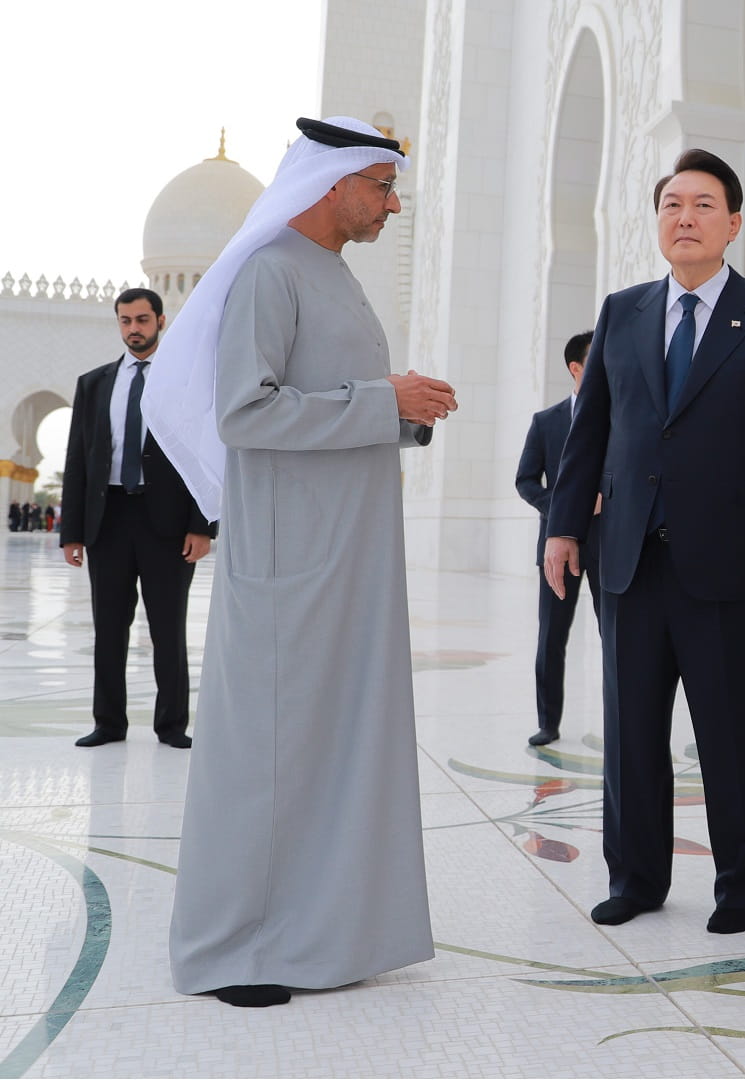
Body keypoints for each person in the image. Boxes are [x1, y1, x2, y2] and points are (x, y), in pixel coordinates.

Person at [151, 116, 457, 1009]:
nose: (391, 205)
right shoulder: (269, 270)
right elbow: (245, 413)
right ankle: (234, 949)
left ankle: (321, 934)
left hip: (346, 559)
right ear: (336, 183)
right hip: (293, 564)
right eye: (382, 187)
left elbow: (330, 402)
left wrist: (402, 415)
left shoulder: (331, 275)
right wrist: (380, 398)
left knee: (332, 746)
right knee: (268, 755)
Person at [544, 148, 745, 936]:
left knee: (731, 733)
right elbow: (589, 432)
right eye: (672, 204)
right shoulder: (622, 310)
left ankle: (740, 885)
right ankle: (634, 876)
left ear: (733, 223)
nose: (685, 217)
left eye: (703, 205)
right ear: (658, 220)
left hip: (730, 563)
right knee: (631, 734)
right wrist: (564, 527)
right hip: (629, 559)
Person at [59, 287, 215, 749]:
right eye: (126, 321)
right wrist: (73, 531)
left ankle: (171, 726)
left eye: (143, 320)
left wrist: (202, 525)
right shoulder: (95, 383)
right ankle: (108, 723)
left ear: (161, 322)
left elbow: (202, 454)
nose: (134, 329)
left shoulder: (186, 380)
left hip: (165, 522)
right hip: (108, 519)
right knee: (108, 628)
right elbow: (78, 460)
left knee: (168, 628)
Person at [516, 330, 602, 746]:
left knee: (618, 636)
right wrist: (565, 509)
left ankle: (622, 717)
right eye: (595, 360)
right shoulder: (545, 422)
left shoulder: (619, 416)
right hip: (557, 546)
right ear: (576, 368)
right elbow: (526, 481)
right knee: (552, 637)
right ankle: (548, 722)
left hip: (609, 545)